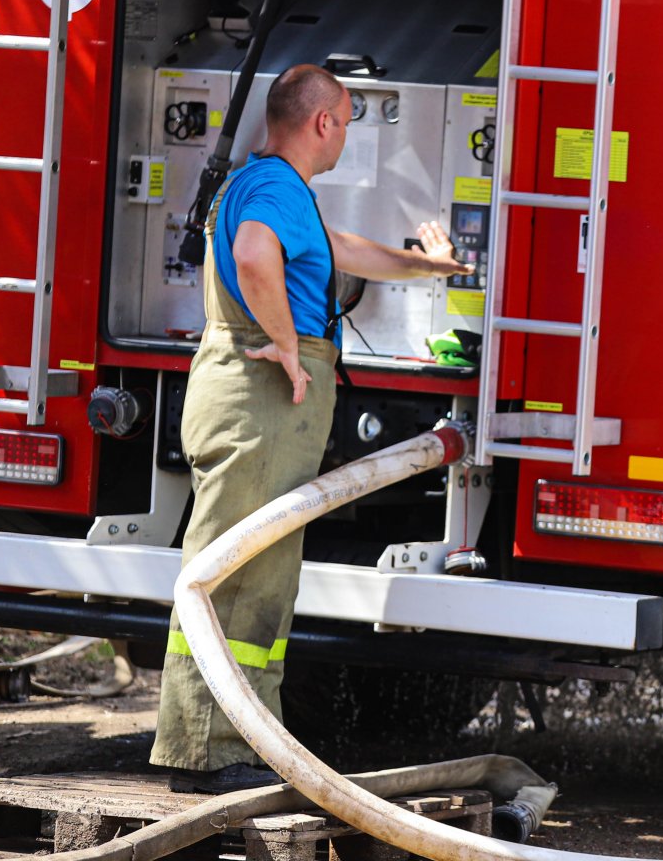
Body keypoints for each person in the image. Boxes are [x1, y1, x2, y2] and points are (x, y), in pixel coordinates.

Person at [151, 63, 473, 792]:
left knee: (252, 574)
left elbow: (342, 252)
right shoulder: (271, 192)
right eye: (348, 121)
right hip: (259, 402)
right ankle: (207, 755)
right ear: (323, 123)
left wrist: (428, 267)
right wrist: (290, 347)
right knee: (235, 580)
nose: (346, 135)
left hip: (249, 399)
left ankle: (234, 742)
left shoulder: (266, 182)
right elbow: (254, 254)